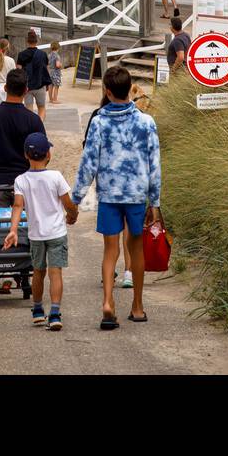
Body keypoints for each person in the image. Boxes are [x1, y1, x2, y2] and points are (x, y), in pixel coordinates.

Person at [71, 65, 161, 330]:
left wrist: (74, 200)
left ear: (108, 92)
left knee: (110, 251)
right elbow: (155, 164)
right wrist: (155, 202)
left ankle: (108, 302)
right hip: (136, 195)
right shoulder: (146, 122)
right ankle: (137, 307)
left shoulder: (99, 122)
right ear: (129, 88)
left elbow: (88, 164)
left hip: (109, 195)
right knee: (136, 249)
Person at [2, 132, 78, 330]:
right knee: (55, 273)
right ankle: (54, 313)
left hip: (36, 235)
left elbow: (18, 206)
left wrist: (13, 230)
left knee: (38, 272)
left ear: (26, 155)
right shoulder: (56, 176)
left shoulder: (21, 180)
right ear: (48, 155)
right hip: (56, 233)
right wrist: (73, 214)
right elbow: (67, 203)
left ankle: (37, 310)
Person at [0, 69, 45, 209]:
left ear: (5, 88)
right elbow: (44, 155)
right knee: (25, 226)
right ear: (26, 90)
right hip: (25, 181)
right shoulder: (34, 120)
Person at [16, 29, 51, 121]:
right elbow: (47, 70)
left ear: (27, 41)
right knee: (41, 107)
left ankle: (30, 127)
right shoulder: (43, 54)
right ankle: (39, 126)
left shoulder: (21, 55)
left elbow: (19, 71)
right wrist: (47, 84)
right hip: (40, 85)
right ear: (37, 41)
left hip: (27, 87)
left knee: (29, 109)